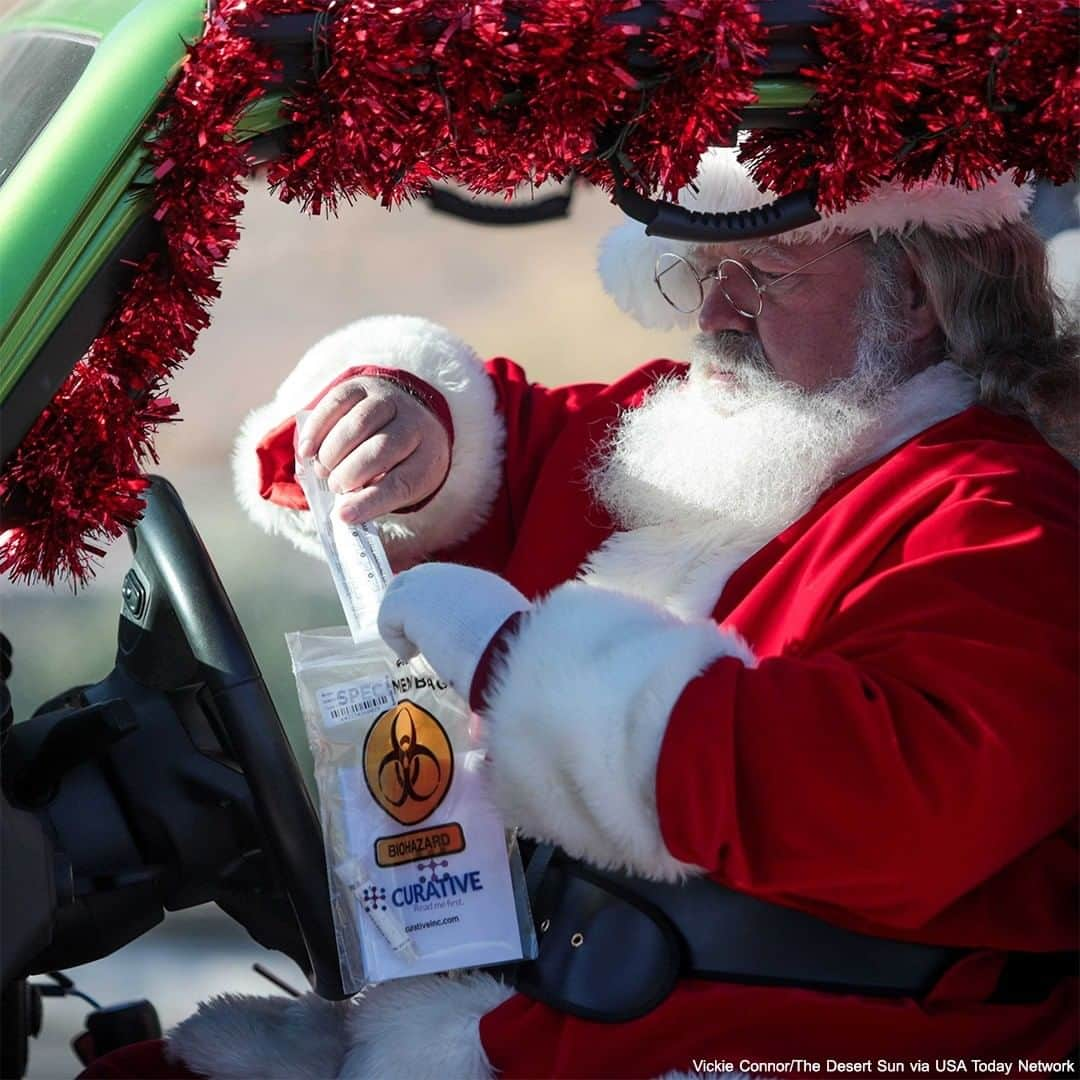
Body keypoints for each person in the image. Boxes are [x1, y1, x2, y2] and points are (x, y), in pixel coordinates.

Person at [83, 149, 1078, 1079]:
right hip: (532, 1014)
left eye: (767, 276)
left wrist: (530, 676)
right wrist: (409, 430)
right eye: (704, 271)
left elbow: (904, 804)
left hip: (744, 1044)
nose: (717, 312)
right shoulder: (711, 432)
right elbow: (505, 446)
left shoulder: (998, 515)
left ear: (912, 298)